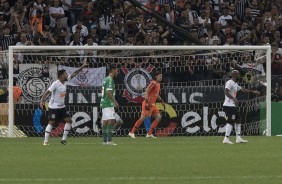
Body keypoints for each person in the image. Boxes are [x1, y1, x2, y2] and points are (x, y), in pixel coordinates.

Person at [40, 59, 88, 145]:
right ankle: (45, 141)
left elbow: (74, 73)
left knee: (69, 120)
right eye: (65, 74)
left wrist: (82, 66)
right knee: (51, 122)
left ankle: (63, 139)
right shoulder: (55, 83)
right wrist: (42, 100)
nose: (67, 75)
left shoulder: (65, 81)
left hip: (62, 107)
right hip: (54, 107)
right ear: (61, 75)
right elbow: (48, 92)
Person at [223, 70, 260, 144]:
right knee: (230, 121)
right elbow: (226, 91)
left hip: (233, 105)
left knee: (238, 120)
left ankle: (238, 138)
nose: (239, 75)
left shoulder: (235, 84)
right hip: (228, 105)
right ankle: (226, 139)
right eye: (238, 74)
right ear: (234, 75)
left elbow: (243, 90)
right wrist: (233, 98)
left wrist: (253, 91)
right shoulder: (229, 82)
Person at [128, 71, 165, 138]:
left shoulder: (158, 84)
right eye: (159, 75)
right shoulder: (153, 83)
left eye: (161, 76)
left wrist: (162, 101)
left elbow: (156, 94)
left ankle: (149, 134)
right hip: (148, 103)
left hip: (153, 104)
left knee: (158, 117)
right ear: (156, 76)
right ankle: (131, 132)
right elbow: (147, 91)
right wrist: (147, 102)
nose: (161, 77)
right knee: (143, 118)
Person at [100, 65, 119, 145]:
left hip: (104, 103)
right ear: (113, 70)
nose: (117, 72)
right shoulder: (110, 79)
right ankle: (109, 140)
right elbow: (108, 92)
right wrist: (115, 102)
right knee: (111, 121)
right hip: (108, 103)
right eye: (117, 70)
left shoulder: (106, 79)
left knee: (105, 121)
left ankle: (105, 141)